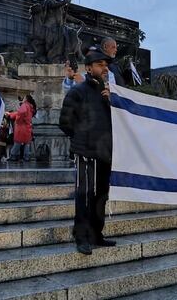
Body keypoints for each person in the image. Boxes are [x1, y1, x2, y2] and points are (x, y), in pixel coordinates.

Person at [59, 50, 115, 255]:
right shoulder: (78, 92)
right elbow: (65, 122)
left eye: (106, 65)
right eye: (100, 64)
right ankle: (81, 236)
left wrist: (113, 103)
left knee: (101, 195)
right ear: (89, 68)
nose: (105, 68)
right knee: (84, 195)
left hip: (105, 153)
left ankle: (96, 234)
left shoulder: (110, 95)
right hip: (85, 152)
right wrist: (82, 138)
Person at [7, 94, 37, 162]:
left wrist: (17, 120)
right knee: (27, 143)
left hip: (21, 127)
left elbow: (21, 112)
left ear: (26, 99)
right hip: (27, 127)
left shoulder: (25, 105)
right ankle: (27, 157)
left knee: (18, 142)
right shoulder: (30, 106)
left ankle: (13, 156)